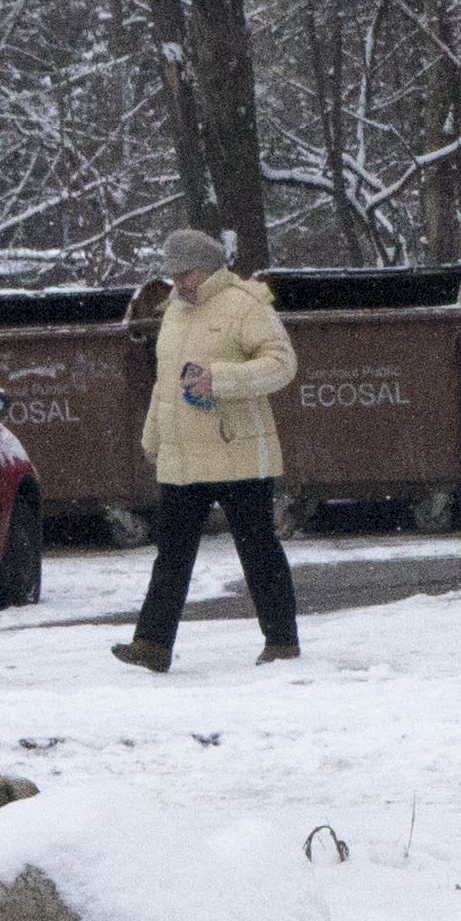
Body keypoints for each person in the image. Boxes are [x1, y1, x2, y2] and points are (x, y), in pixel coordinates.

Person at [119, 224, 301, 669]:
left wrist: (220, 379)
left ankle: (282, 642)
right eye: (174, 275)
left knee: (258, 550)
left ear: (210, 268)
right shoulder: (173, 312)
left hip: (238, 451)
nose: (179, 283)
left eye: (187, 274)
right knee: (172, 555)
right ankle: (152, 645)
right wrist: (153, 436)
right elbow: (164, 385)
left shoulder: (246, 304)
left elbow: (282, 364)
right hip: (183, 454)